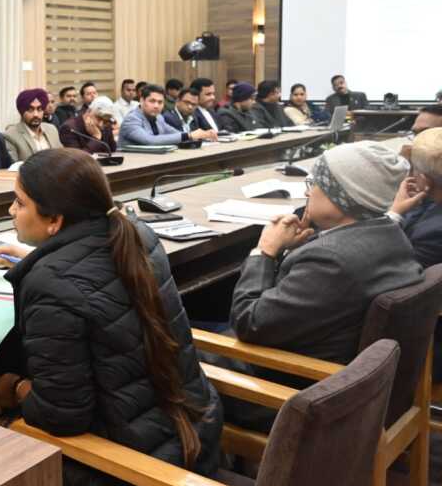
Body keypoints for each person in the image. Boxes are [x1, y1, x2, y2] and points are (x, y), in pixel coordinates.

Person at [0, 149, 223, 486]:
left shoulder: (49, 284)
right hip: (198, 436)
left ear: (55, 221)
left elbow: (61, 416)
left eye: (19, 203)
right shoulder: (137, 233)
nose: (10, 211)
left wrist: (16, 388)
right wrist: (41, 257)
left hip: (136, 475)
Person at [229, 143, 421, 392]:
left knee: (182, 345)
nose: (307, 192)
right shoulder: (392, 234)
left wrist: (264, 251)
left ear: (339, 196)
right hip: (350, 376)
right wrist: (292, 249)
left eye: (314, 183)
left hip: (293, 387)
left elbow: (247, 323)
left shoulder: (331, 260)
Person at [389, 127, 442, 269]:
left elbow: (390, 267)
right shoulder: (432, 199)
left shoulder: (432, 234)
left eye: (413, 168)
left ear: (424, 179)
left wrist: (393, 214)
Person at [120, 85, 216, 147]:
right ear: (141, 100)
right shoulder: (131, 119)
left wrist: (203, 135)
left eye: (160, 102)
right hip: (131, 166)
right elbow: (150, 140)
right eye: (152, 101)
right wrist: (190, 135)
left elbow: (176, 134)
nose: (156, 106)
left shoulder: (159, 118)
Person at [3, 88, 61, 162]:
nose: (36, 114)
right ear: (21, 112)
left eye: (39, 109)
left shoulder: (52, 129)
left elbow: (61, 157)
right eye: (30, 110)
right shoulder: (10, 135)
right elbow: (14, 165)